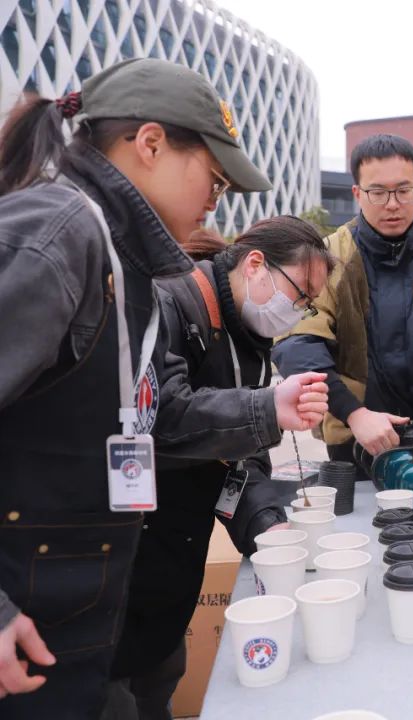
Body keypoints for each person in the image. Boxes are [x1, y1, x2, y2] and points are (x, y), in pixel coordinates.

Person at [0, 58, 328, 719]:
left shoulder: (130, 269)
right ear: (149, 144)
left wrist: (269, 407)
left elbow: (152, 418)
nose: (217, 199)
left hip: (76, 627)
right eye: (212, 176)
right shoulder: (59, 235)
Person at [102, 218, 335, 720]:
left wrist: (266, 524)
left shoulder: (248, 340)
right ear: (255, 265)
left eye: (307, 304)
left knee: (159, 686)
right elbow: (159, 418)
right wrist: (266, 408)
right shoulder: (165, 303)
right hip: (117, 570)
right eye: (300, 293)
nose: (297, 312)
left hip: (171, 571)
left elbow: (236, 459)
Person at [274, 134, 413, 466]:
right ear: (357, 194)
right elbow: (298, 345)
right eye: (378, 192)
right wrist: (354, 413)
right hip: (357, 439)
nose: (392, 204)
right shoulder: (327, 258)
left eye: (403, 191)